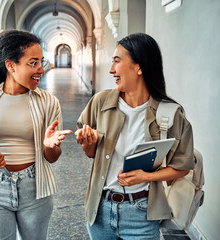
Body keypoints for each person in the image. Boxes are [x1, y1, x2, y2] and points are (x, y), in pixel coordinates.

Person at [75, 33, 195, 239]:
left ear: (139, 67)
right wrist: (88, 144)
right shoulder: (100, 102)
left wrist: (146, 177)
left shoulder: (171, 114)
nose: (111, 70)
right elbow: (91, 154)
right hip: (100, 211)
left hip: (142, 214)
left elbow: (183, 167)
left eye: (117, 61)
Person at [0, 30, 72, 240]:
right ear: (11, 66)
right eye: (33, 63)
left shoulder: (49, 102)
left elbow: (52, 157)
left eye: (42, 61)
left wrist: (49, 146)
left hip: (35, 188)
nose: (41, 69)